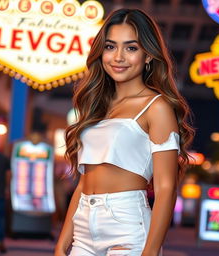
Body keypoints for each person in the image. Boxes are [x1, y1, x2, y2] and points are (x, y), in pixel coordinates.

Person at [55, 8, 194, 256]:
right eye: (110, 47)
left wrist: (150, 252)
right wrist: (63, 241)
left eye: (131, 48)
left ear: (148, 55)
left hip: (127, 225)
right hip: (84, 225)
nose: (118, 57)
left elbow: (166, 188)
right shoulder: (96, 105)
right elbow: (84, 182)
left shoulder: (157, 107)